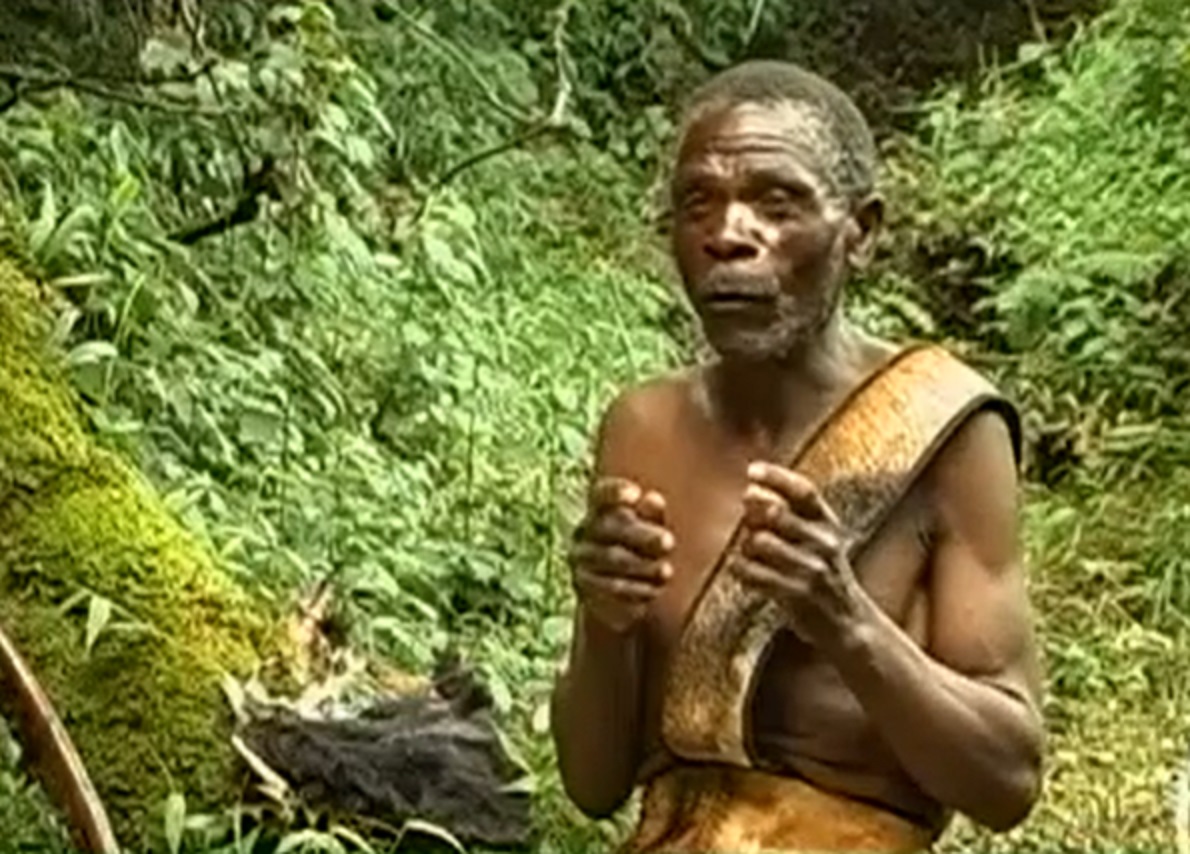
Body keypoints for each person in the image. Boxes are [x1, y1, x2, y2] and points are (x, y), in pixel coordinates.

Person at [549, 60, 1045, 853]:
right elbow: (594, 784)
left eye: (778, 203)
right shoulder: (641, 427)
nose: (728, 235)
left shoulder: (946, 429)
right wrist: (605, 624)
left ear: (863, 231)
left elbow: (1009, 780)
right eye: (697, 203)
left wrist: (845, 619)